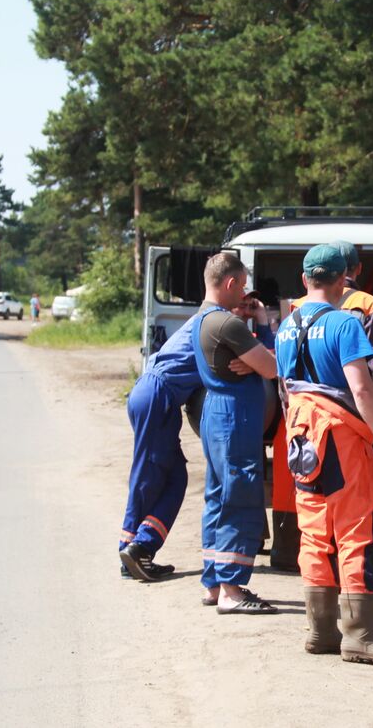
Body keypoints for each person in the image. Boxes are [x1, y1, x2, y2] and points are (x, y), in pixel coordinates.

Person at [276, 244, 373, 667]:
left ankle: (320, 631)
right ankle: (361, 636)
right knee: (357, 530)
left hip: (301, 438)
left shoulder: (284, 327)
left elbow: (285, 389)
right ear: (343, 280)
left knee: (314, 530)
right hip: (342, 438)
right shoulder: (344, 324)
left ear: (304, 280)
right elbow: (362, 388)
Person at [191, 252, 282, 614]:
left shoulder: (202, 318)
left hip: (216, 412)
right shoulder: (228, 324)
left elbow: (258, 365)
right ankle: (232, 590)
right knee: (241, 495)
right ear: (229, 283)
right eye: (242, 285)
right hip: (234, 417)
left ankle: (214, 582)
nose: (244, 292)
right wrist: (262, 329)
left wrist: (254, 348)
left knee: (218, 495)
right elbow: (273, 367)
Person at [118, 270, 212, 581]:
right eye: (241, 288)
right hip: (157, 394)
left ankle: (140, 548)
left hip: (159, 397)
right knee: (148, 475)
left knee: (175, 478)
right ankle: (132, 549)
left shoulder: (205, 316)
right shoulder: (214, 320)